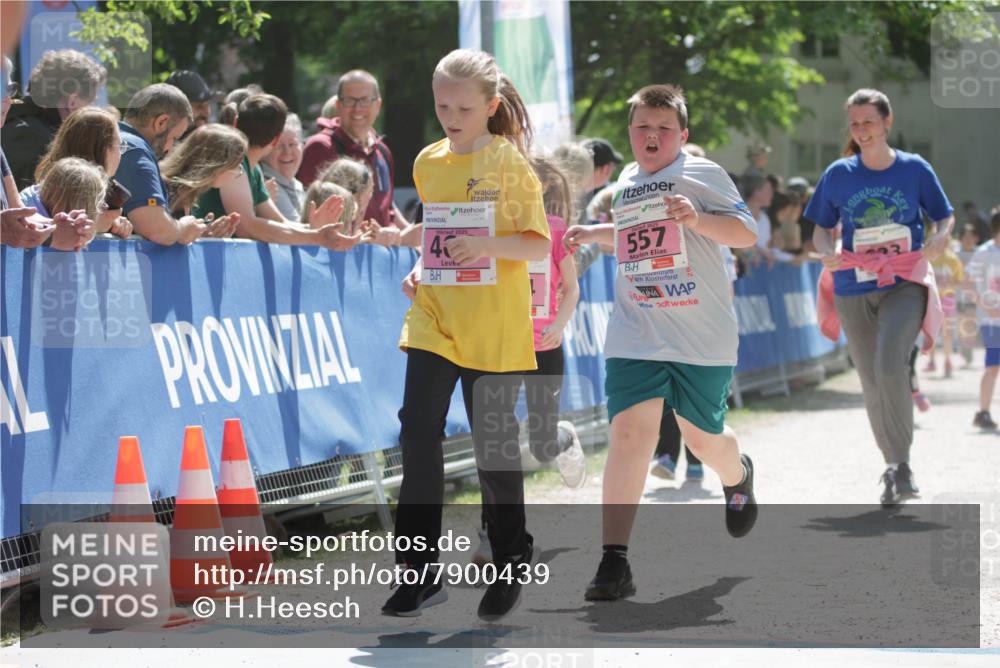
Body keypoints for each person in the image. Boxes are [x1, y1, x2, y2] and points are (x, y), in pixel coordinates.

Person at [564, 84, 759, 602]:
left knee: (702, 439)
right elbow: (635, 241)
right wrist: (594, 234)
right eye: (642, 127)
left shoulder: (703, 174)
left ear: (683, 134)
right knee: (630, 434)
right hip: (638, 329)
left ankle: (737, 474)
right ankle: (614, 560)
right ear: (629, 132)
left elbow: (746, 234)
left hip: (700, 335)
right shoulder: (627, 183)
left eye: (664, 128)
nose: (652, 136)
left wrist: (697, 218)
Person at [384, 48, 550, 622]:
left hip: (494, 323)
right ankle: (418, 573)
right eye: (442, 106)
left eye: (464, 108)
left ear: (491, 106)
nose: (451, 118)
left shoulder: (507, 163)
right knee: (417, 434)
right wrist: (420, 267)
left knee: (493, 452)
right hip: (435, 317)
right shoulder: (427, 162)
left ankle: (510, 558)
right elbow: (439, 235)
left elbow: (537, 243)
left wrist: (486, 247)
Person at [808, 88, 954, 506]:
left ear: (887, 122)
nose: (862, 130)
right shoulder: (838, 173)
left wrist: (940, 237)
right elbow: (820, 228)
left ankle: (903, 462)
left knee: (890, 363)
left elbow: (943, 215)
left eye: (869, 122)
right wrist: (827, 251)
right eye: (855, 123)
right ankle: (893, 466)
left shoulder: (914, 169)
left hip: (904, 280)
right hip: (853, 285)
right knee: (871, 380)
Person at [469, 154, 586, 566]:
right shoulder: (493, 230)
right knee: (495, 442)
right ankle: (491, 534)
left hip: (544, 346)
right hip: (503, 345)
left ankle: (563, 438)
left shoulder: (553, 230)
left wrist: (559, 324)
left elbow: (572, 288)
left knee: (541, 444)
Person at [194, 93, 357, 249]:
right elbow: (247, 227)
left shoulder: (254, 169)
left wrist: (313, 229)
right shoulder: (234, 164)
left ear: (235, 123)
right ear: (276, 139)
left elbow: (280, 223)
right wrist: (315, 236)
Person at [115, 83, 236, 245]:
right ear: (161, 122)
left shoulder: (109, 137)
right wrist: (183, 228)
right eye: (174, 138)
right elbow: (156, 230)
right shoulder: (136, 150)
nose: (170, 148)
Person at [298, 70, 407, 228]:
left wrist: (404, 233)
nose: (358, 108)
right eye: (350, 100)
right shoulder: (321, 147)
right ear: (338, 105)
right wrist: (371, 237)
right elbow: (316, 222)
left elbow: (388, 210)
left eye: (365, 100)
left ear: (378, 105)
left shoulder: (382, 152)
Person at [1, 49, 107, 190]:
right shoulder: (42, 143)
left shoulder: (15, 120)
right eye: (90, 103)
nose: (91, 110)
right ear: (73, 101)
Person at [27, 106, 133, 238]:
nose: (121, 154)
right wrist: (96, 226)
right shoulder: (69, 191)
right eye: (120, 146)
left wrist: (110, 225)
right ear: (103, 150)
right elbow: (65, 233)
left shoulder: (48, 189)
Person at [159, 124, 248, 218]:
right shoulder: (164, 191)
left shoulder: (186, 193)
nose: (239, 171)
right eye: (235, 164)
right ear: (217, 164)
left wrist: (208, 228)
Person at [967, 206, 1000, 430]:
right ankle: (983, 412)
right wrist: (985, 306)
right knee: (993, 365)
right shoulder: (984, 253)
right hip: (992, 322)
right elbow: (967, 283)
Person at [924, 241, 964, 378]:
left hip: (947, 299)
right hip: (932, 299)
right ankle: (932, 361)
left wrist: (948, 285)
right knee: (931, 332)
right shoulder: (929, 257)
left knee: (947, 333)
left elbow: (959, 280)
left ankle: (947, 362)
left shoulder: (952, 259)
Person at [260, 113, 306, 221]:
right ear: (264, 151)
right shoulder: (268, 186)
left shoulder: (296, 184)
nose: (287, 152)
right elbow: (295, 227)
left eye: (292, 144)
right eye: (278, 146)